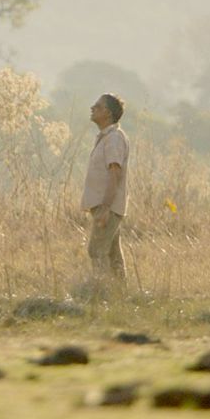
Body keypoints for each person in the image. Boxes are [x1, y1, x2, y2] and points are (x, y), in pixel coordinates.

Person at [81, 93, 130, 282]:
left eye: (97, 106)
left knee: (96, 250)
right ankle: (120, 294)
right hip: (105, 205)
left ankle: (101, 291)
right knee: (112, 253)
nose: (92, 108)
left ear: (107, 113)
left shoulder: (114, 138)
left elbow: (115, 173)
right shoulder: (106, 137)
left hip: (108, 206)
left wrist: (105, 208)